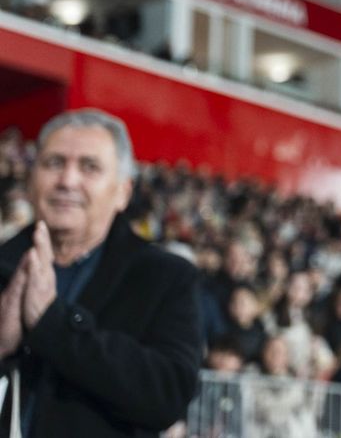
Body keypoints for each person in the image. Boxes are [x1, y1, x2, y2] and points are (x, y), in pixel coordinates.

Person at [0, 109, 203, 437]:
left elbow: (168, 396)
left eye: (89, 167)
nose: (67, 180)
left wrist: (53, 322)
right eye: (54, 163)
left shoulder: (165, 276)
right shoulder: (4, 262)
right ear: (32, 177)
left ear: (123, 191)